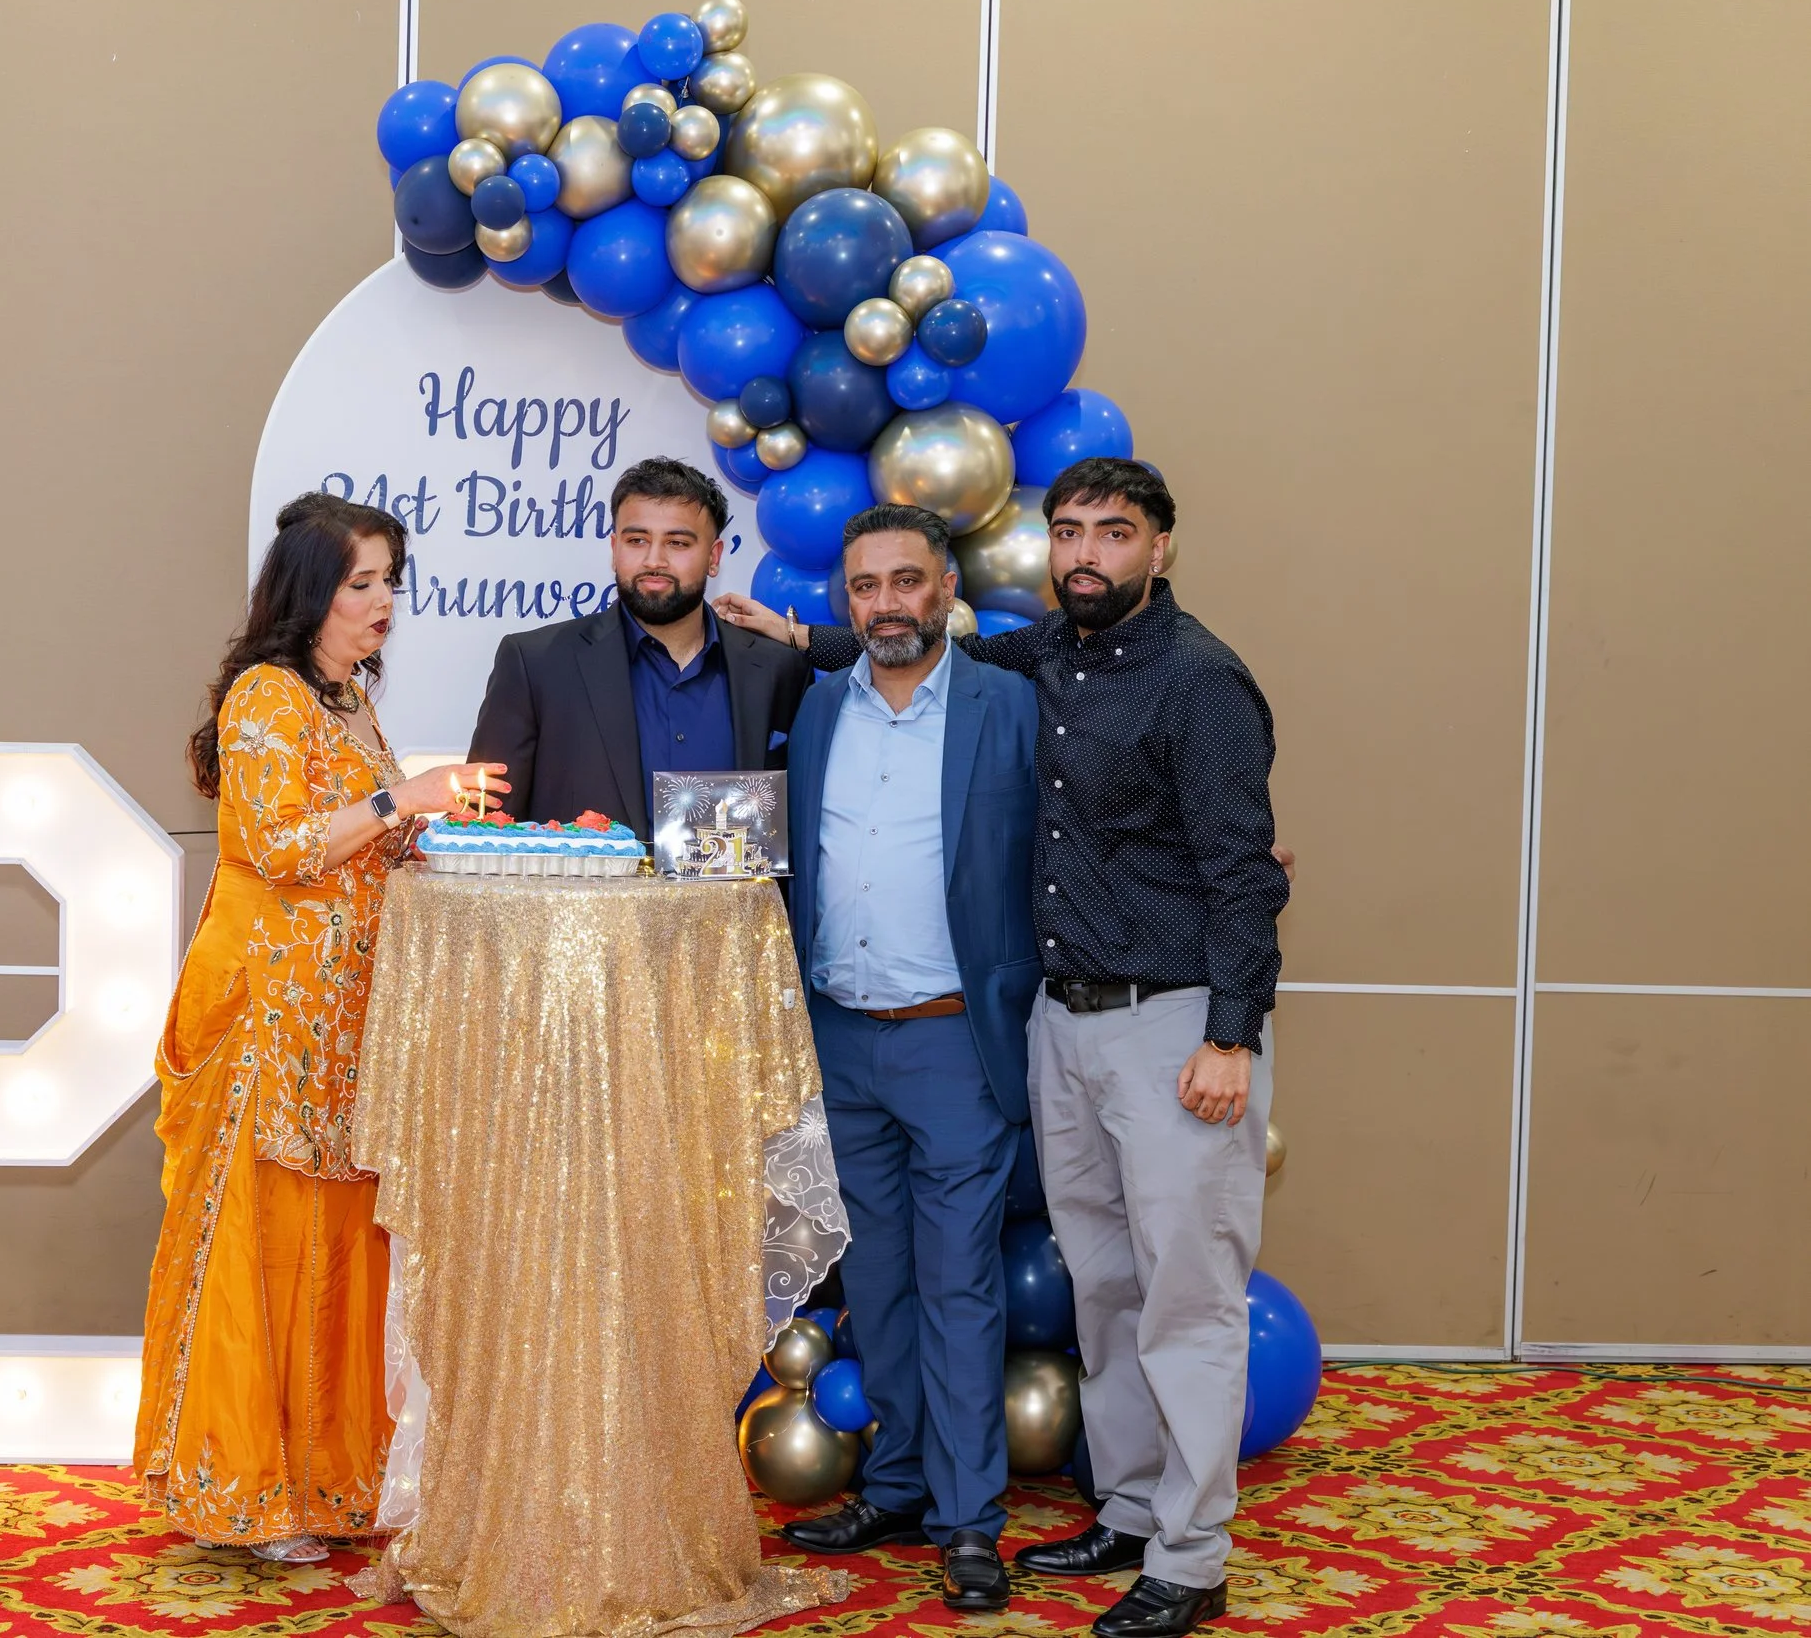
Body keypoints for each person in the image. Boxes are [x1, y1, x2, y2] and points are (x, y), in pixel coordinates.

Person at [723, 458, 1285, 1638]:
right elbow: (884, 636)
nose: (1085, 553)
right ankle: (1129, 1509)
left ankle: (1187, 1555)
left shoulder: (1197, 679)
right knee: (1105, 1287)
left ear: (1160, 548)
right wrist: (797, 629)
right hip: (1056, 1026)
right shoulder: (1040, 661)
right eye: (1068, 532)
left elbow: (1243, 869)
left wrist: (1232, 1031)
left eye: (1113, 534)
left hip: (1172, 1021)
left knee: (1184, 1299)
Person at [132, 492, 505, 1565]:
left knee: (337, 1244)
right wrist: (402, 800)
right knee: (264, 1239)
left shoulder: (344, 700)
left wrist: (429, 825)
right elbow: (283, 843)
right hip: (265, 1014)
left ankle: (328, 1477)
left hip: (344, 1016)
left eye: (392, 579)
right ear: (311, 593)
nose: (385, 600)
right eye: (362, 581)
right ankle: (245, 1491)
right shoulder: (266, 694)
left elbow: (360, 844)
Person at [777, 504, 1038, 1614]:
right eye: (865, 586)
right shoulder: (818, 704)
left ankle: (969, 1518)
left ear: (944, 589)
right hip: (840, 1034)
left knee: (960, 1282)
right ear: (846, 602)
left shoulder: (1007, 705)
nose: (885, 602)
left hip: (952, 1040)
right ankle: (892, 1481)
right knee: (873, 1277)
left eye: (906, 580)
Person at [466, 457, 813, 834]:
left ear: (714, 558)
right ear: (615, 549)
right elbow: (485, 831)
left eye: (677, 543)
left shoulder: (778, 669)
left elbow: (799, 824)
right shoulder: (535, 664)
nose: (654, 560)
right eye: (636, 540)